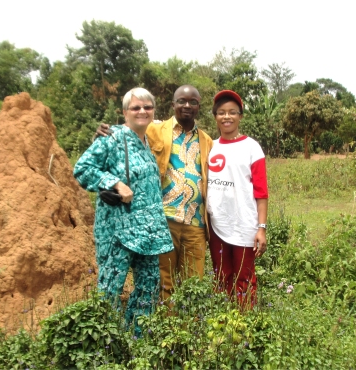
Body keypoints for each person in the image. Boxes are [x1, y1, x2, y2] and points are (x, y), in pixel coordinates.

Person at [96, 85, 213, 304]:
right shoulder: (155, 129)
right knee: (164, 280)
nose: (187, 106)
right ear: (173, 105)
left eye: (193, 102)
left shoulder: (207, 141)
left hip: (195, 222)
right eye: (181, 101)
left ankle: (188, 330)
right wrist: (105, 133)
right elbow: (129, 133)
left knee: (193, 283)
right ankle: (164, 328)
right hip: (163, 219)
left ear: (199, 107)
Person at [73, 87, 174, 335]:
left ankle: (137, 338)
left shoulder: (147, 142)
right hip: (118, 231)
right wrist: (114, 183)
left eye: (147, 107)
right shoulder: (112, 138)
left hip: (149, 233)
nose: (142, 111)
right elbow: (82, 168)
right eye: (136, 107)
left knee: (149, 286)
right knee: (110, 288)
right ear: (124, 112)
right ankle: (108, 344)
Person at [206, 90, 268, 308]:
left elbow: (261, 192)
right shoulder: (209, 147)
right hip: (217, 225)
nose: (227, 117)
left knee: (244, 278)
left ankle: (245, 324)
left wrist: (261, 228)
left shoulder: (252, 147)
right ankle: (222, 322)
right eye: (221, 112)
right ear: (215, 116)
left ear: (240, 116)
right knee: (222, 276)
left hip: (244, 224)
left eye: (232, 112)